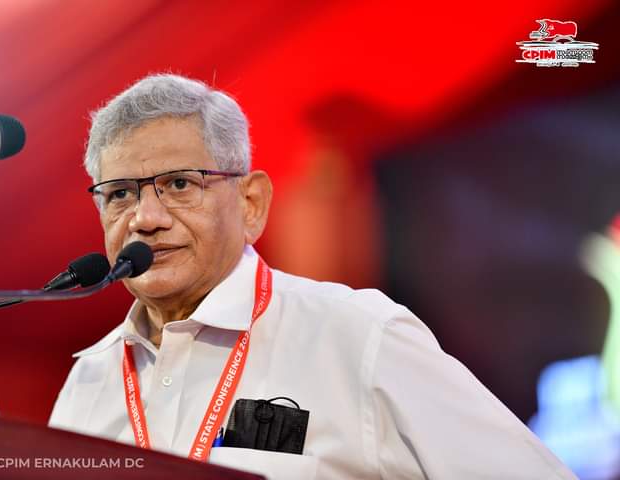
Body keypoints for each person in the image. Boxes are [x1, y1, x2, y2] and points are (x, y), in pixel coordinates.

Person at [48, 73, 576, 479]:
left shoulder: (359, 336)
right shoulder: (88, 381)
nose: (145, 218)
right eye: (120, 193)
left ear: (251, 203)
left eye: (179, 184)